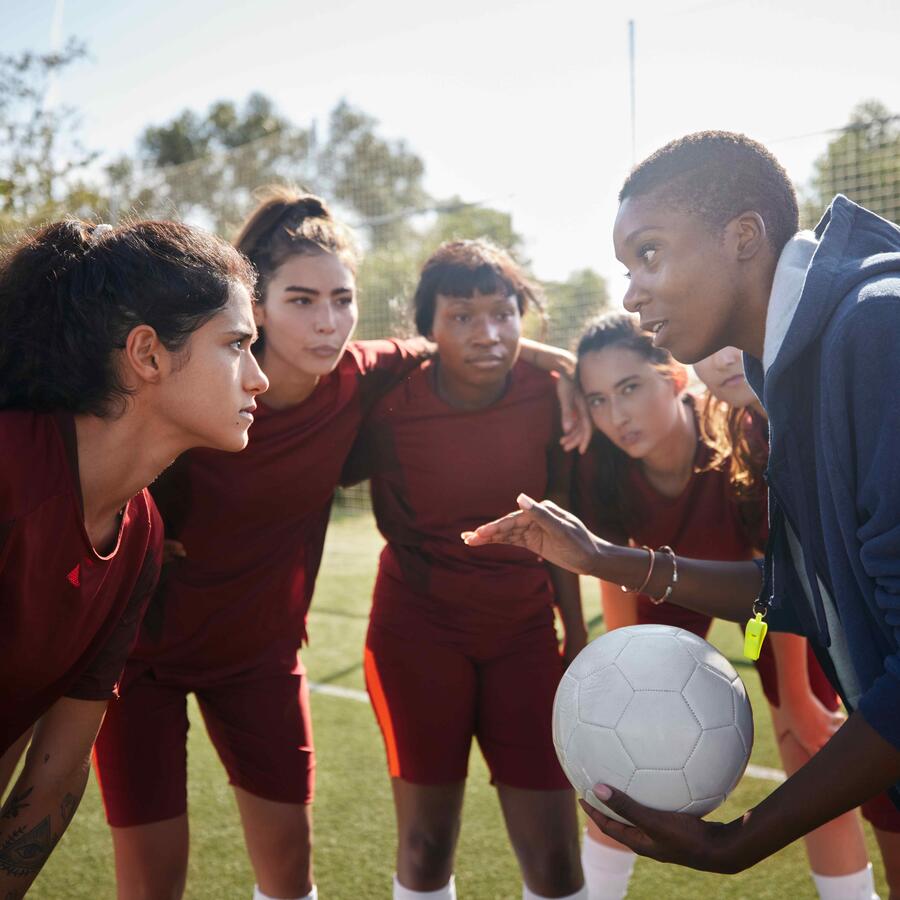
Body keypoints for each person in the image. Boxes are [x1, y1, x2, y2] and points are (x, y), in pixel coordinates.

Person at [92, 191, 585, 900]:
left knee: (290, 878)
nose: (328, 323)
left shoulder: (358, 377)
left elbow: (453, 341)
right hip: (137, 662)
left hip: (257, 658)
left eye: (342, 299)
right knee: (150, 883)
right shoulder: (189, 385)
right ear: (254, 306)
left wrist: (558, 363)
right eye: (301, 300)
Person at [463, 131, 900, 893]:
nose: (631, 292)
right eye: (625, 268)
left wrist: (742, 839)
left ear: (742, 236)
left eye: (651, 254)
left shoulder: (875, 332)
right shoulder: (790, 363)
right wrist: (607, 559)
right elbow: (788, 591)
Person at [0, 219, 268, 897]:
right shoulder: (9, 471)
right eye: (236, 345)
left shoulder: (143, 532)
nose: (260, 378)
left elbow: (59, 765)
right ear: (147, 353)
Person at [572, 315, 873, 900]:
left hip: (762, 601)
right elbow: (614, 569)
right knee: (615, 748)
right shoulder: (600, 461)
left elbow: (778, 583)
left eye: (631, 387)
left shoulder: (739, 435)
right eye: (598, 400)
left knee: (806, 734)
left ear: (675, 376)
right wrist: (619, 670)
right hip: (666, 586)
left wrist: (793, 695)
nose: (617, 415)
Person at [342, 239, 588, 900]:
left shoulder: (550, 395)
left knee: (558, 858)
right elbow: (306, 472)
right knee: (425, 848)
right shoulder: (389, 405)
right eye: (462, 317)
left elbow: (558, 523)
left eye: (504, 314)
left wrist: (576, 636)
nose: (489, 333)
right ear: (428, 329)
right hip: (417, 632)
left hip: (525, 633)